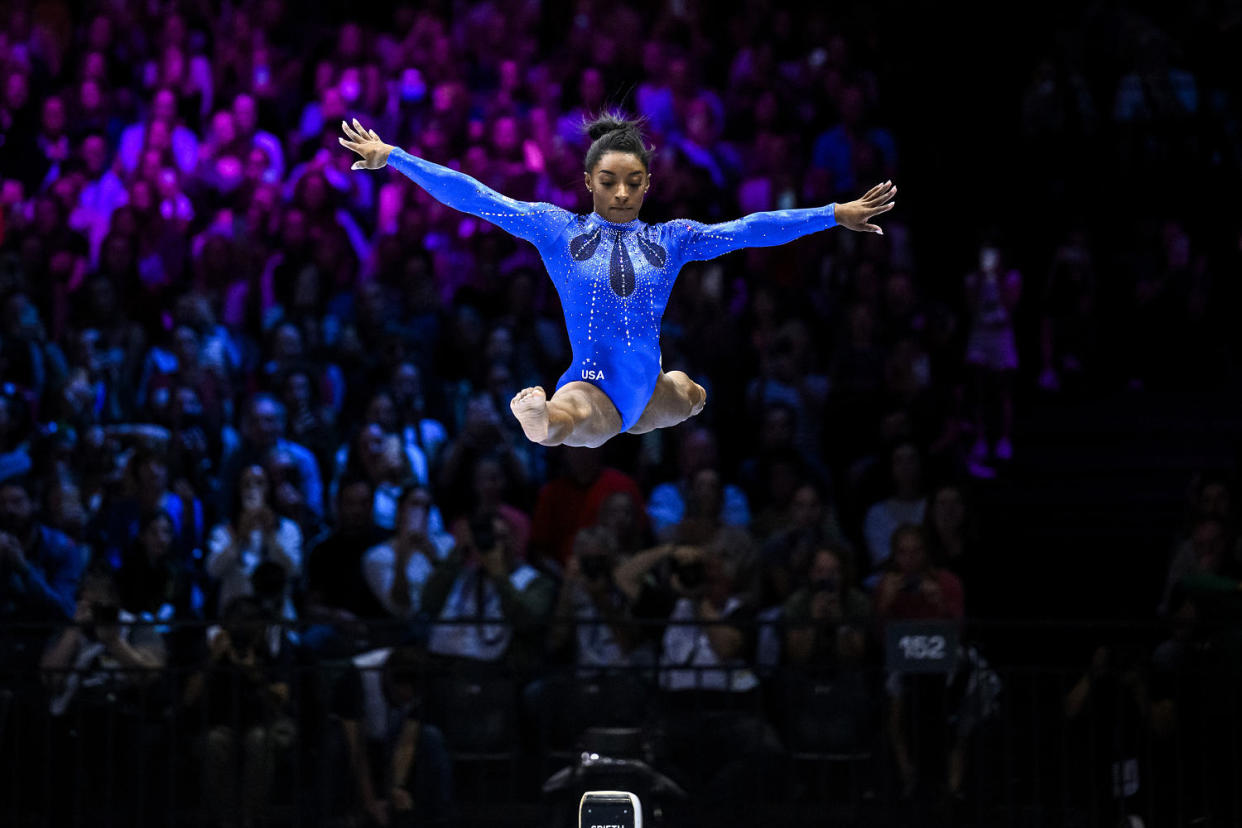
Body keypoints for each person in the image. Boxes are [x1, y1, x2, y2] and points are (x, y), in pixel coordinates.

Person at [339, 115, 895, 447]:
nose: (622, 194)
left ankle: (659, 394)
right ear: (588, 183)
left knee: (694, 397)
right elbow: (477, 197)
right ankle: (538, 420)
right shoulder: (555, 230)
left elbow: (752, 228)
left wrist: (832, 213)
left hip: (650, 389)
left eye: (633, 182)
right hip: (593, 379)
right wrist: (395, 157)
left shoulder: (675, 238)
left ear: (648, 184)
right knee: (574, 419)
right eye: (609, 182)